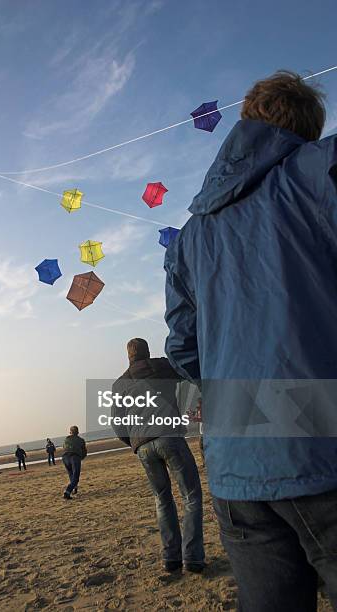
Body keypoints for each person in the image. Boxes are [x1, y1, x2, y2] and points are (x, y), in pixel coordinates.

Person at [164, 70, 337, 610]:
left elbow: (183, 347)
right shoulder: (319, 170)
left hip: (237, 467)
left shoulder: (190, 236)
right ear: (306, 130)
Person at [112, 338, 205, 574]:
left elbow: (118, 424)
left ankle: (171, 559)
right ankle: (192, 558)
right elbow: (187, 369)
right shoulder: (162, 366)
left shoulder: (120, 384)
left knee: (162, 499)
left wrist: (134, 442)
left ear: (128, 356)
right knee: (191, 495)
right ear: (147, 352)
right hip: (168, 436)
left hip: (143, 446)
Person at [62, 426, 87, 499]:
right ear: (78, 432)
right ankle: (67, 491)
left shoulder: (66, 439)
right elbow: (84, 452)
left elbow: (64, 448)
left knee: (71, 475)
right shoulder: (81, 440)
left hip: (65, 458)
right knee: (75, 477)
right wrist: (80, 458)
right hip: (74, 457)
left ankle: (74, 488)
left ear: (70, 432)